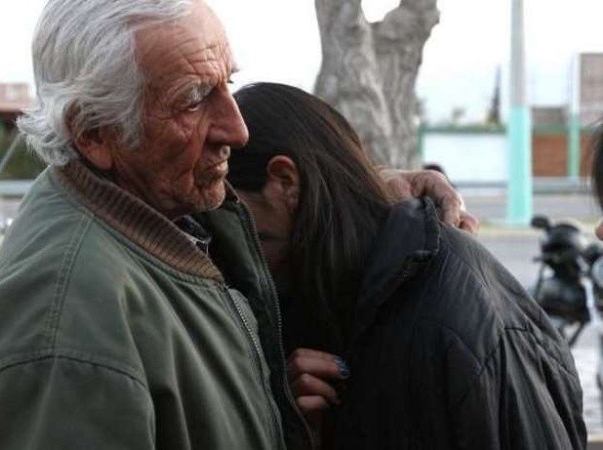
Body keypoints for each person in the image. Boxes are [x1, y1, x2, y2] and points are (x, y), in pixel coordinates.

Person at [0, 2, 472, 449]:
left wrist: (369, 198)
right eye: (193, 99)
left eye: (227, 84)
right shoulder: (65, 329)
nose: (236, 128)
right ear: (94, 133)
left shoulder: (166, 219)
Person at [227, 82, 586, 449]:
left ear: (285, 182)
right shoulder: (342, 294)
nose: (226, 251)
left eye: (231, 219)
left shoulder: (446, 311)